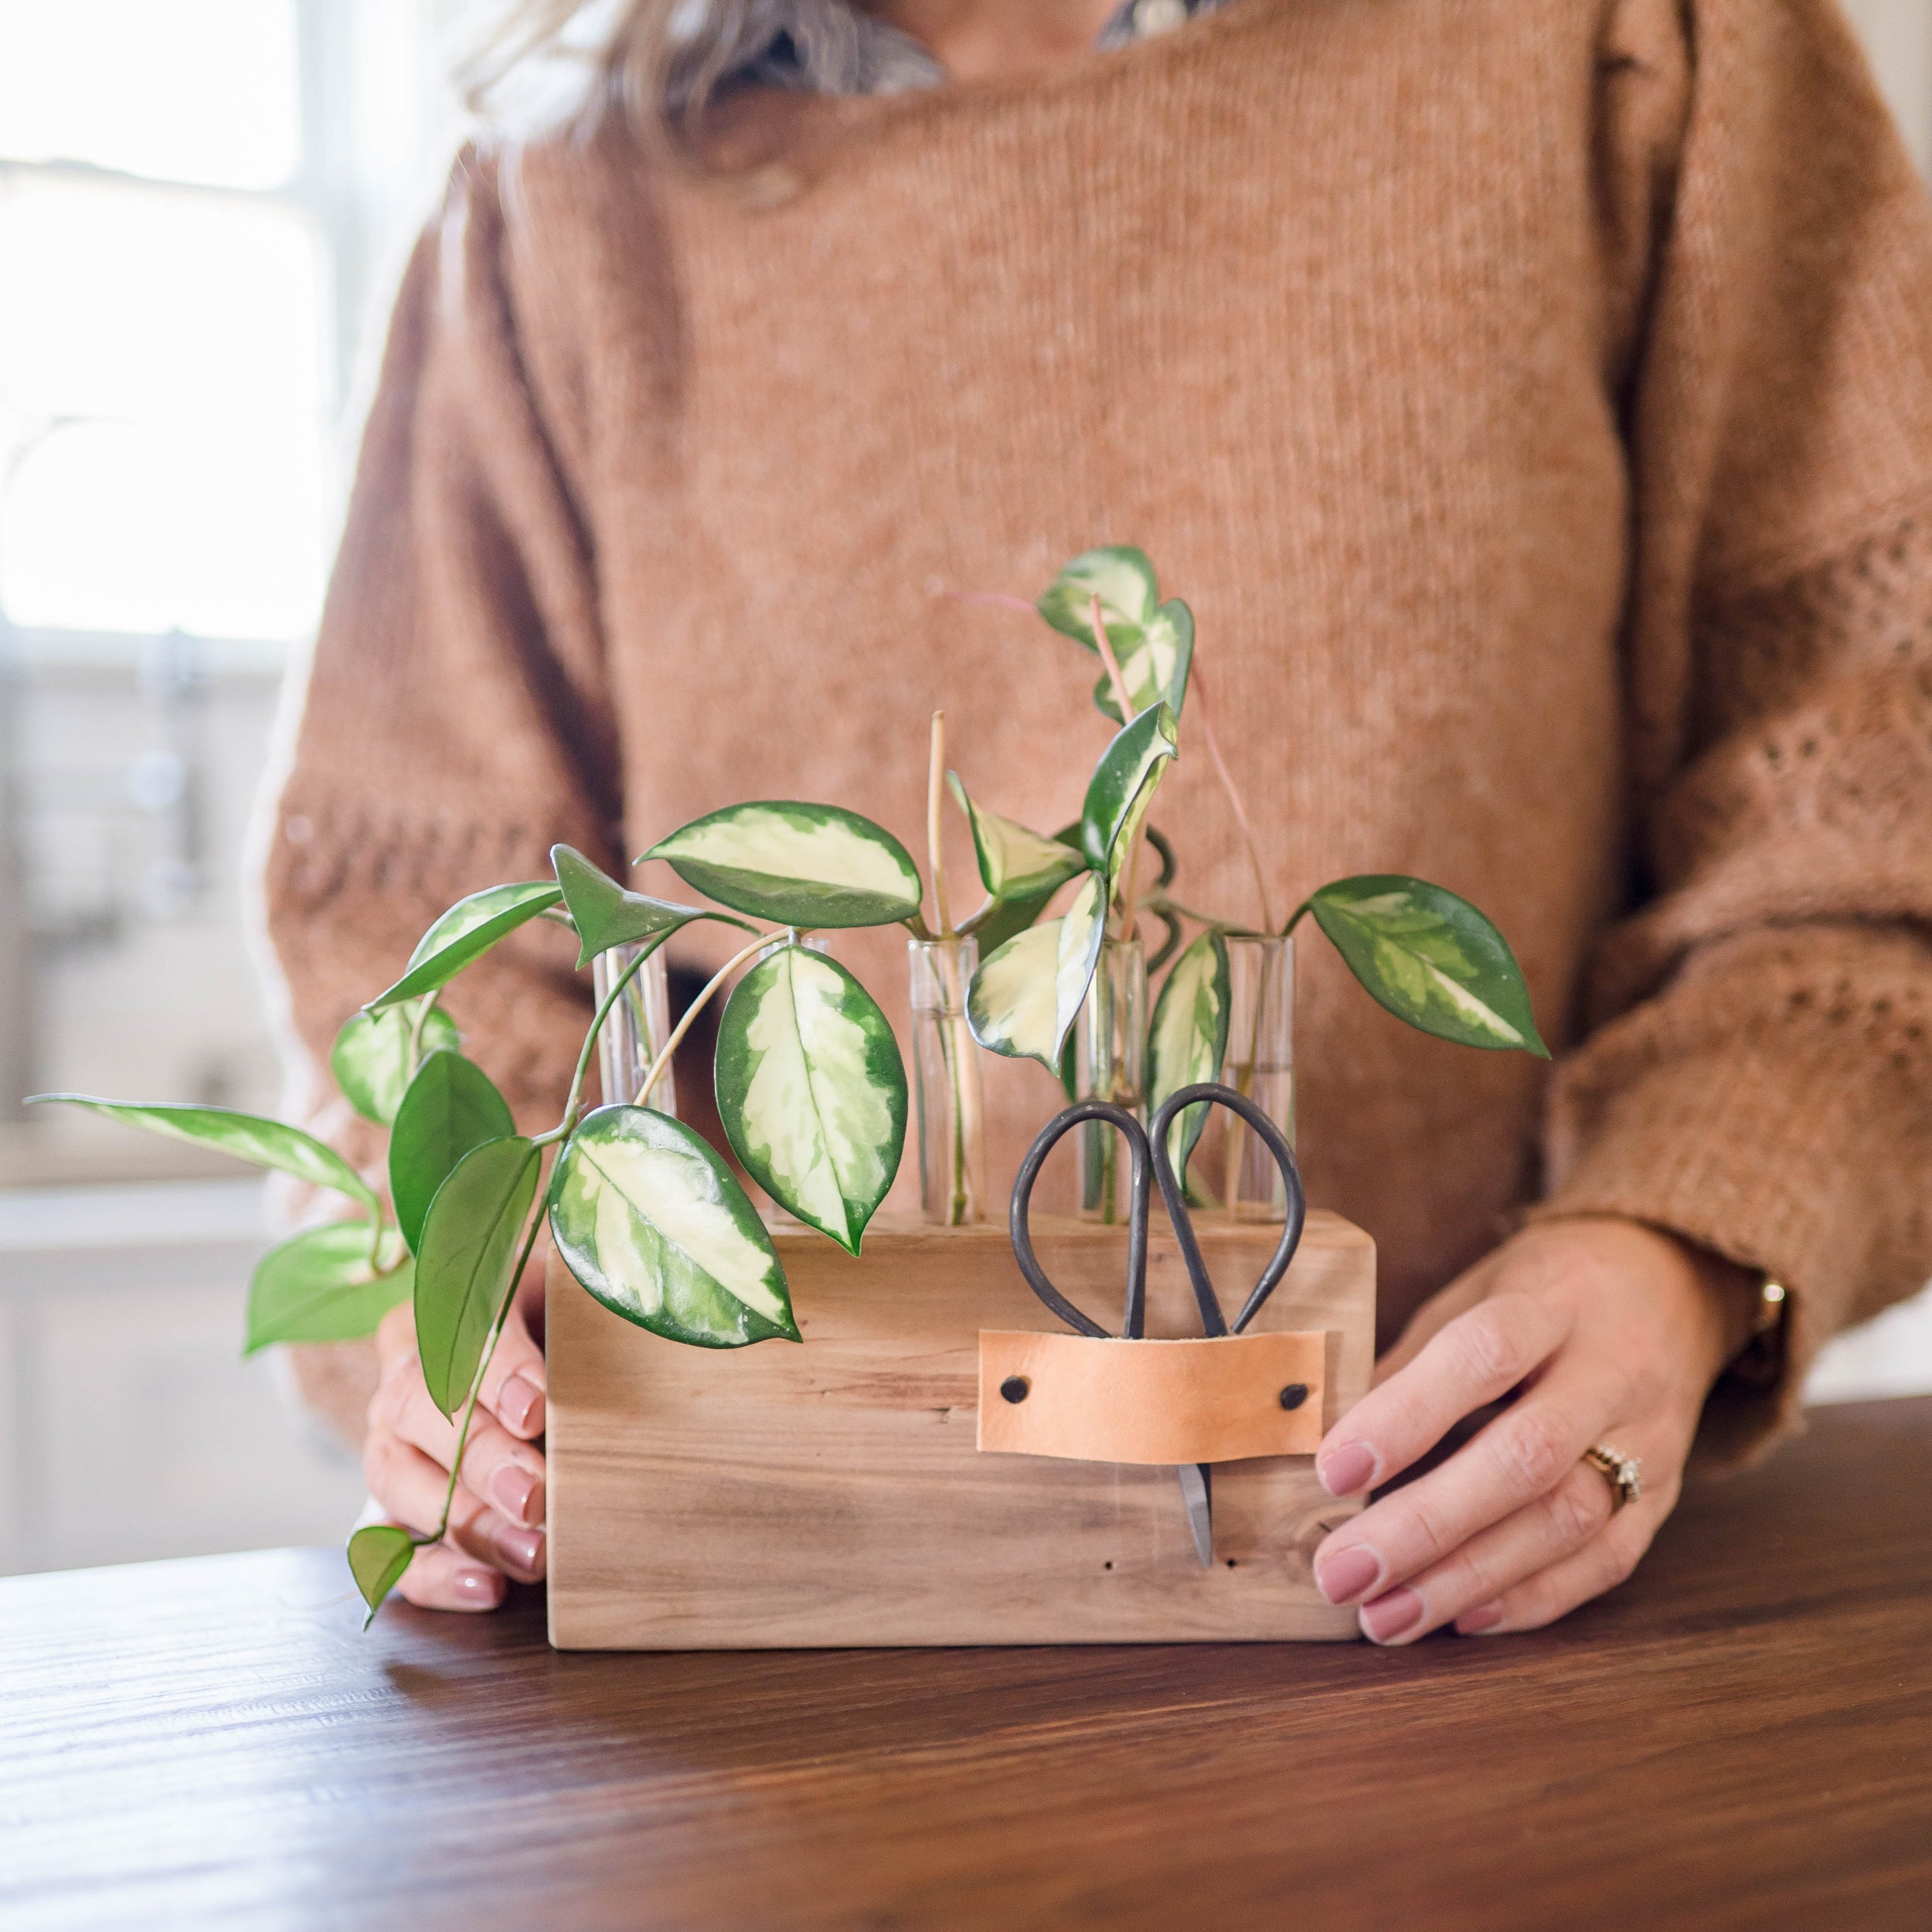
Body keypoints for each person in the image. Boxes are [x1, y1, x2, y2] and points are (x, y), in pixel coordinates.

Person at [266, 0, 1932, 1643]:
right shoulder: (555, 206)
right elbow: (407, 950)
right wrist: (463, 1298)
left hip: (1455, 1581)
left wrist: (1684, 1240)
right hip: (758, 1614)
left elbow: (1873, 808)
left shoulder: (1627, 35)